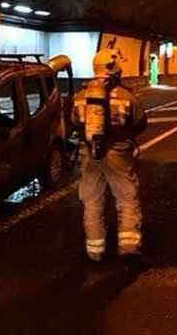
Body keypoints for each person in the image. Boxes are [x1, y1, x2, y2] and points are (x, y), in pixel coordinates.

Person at [71, 49, 147, 262]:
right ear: (113, 68)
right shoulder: (125, 96)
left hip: (89, 156)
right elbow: (140, 123)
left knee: (92, 201)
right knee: (126, 200)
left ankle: (95, 251)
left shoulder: (80, 96)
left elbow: (74, 123)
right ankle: (129, 247)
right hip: (118, 155)